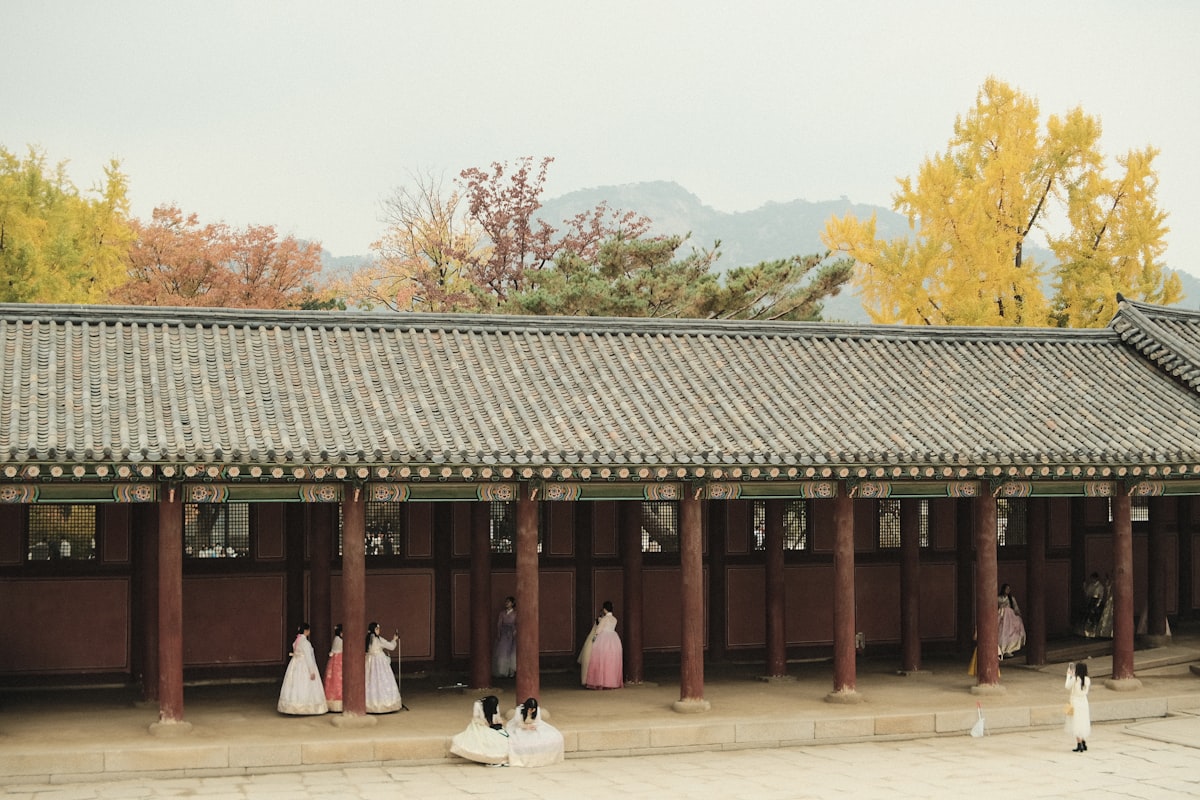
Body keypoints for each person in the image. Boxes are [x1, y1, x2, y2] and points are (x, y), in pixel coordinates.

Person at [277, 622, 328, 715]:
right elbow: (308, 657)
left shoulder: (296, 641)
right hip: (304, 664)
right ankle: (306, 706)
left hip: (295, 663)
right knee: (305, 684)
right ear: (306, 631)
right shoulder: (305, 643)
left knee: (295, 684)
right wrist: (311, 671)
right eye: (308, 630)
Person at [449, 694, 510, 766]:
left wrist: (498, 721)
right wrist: (485, 723)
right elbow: (476, 717)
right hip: (480, 724)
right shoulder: (478, 704)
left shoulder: (494, 704)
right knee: (488, 737)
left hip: (492, 724)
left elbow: (497, 715)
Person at [505, 697, 564, 767]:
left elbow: (537, 722)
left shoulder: (537, 710)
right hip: (521, 726)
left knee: (549, 736)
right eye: (530, 709)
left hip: (533, 726)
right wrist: (526, 727)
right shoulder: (519, 710)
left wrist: (532, 726)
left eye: (533, 709)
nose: (531, 711)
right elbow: (518, 723)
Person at [584, 600, 623, 690]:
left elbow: (598, 630)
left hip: (604, 639)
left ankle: (600, 681)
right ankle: (612, 681)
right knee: (611, 661)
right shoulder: (614, 619)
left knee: (601, 660)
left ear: (605, 609)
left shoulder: (605, 619)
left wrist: (594, 638)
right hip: (614, 639)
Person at [365, 621, 402, 713]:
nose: (379, 630)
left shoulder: (367, 639)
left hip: (369, 662)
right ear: (374, 630)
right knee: (382, 680)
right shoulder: (378, 639)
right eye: (377, 629)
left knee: (370, 681)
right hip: (379, 661)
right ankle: (385, 703)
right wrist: (394, 639)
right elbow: (391, 646)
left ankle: (369, 704)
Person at [1065, 661, 1092, 752]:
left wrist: (1069, 675)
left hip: (1074, 702)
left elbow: (1067, 686)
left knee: (1075, 722)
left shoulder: (1075, 679)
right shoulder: (1087, 679)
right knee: (1083, 721)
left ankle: (1079, 743)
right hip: (1084, 702)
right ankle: (1083, 742)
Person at [997, 583, 1026, 659]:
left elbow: (1015, 607)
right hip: (1001, 615)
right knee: (1001, 632)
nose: (1008, 590)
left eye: (1009, 589)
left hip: (1010, 616)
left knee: (1010, 631)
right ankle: (1001, 649)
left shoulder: (1011, 598)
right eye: (1006, 589)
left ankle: (1009, 649)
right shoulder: (998, 598)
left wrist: (1018, 613)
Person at [493, 596, 517, 679]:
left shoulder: (515, 613)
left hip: (512, 634)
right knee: (502, 652)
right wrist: (499, 633)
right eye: (506, 601)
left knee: (512, 653)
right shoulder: (502, 613)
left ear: (513, 603)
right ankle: (503, 671)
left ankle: (511, 671)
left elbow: (517, 624)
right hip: (504, 633)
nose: (507, 603)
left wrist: (515, 632)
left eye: (509, 602)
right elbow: (499, 624)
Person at [323, 623, 344, 713]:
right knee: (337, 681)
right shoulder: (339, 640)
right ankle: (338, 703)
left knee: (334, 681)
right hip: (338, 662)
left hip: (336, 661)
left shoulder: (337, 639)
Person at [1078, 572, 1105, 637]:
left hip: (1097, 602)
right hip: (1091, 602)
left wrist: (1097, 605)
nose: (1092, 580)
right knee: (1089, 617)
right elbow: (1087, 594)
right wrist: (1084, 587)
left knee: (1095, 618)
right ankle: (1088, 633)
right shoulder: (1091, 585)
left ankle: (1095, 633)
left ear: (1096, 578)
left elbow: (1101, 596)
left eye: (1093, 578)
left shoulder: (1100, 586)